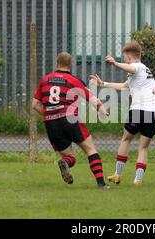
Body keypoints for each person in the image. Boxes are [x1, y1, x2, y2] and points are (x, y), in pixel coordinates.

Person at [32, 52, 109, 189]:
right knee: (90, 150)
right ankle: (102, 184)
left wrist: (51, 114)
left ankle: (65, 163)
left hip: (50, 122)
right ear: (71, 65)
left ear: (56, 64)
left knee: (69, 156)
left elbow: (35, 105)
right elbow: (94, 101)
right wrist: (103, 112)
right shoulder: (74, 80)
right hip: (69, 118)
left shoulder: (45, 80)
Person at [90, 41, 155, 186]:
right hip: (153, 112)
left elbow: (130, 67)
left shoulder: (137, 67)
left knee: (126, 139)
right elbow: (124, 86)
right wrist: (103, 84)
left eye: (124, 57)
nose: (124, 60)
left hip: (139, 109)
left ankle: (117, 174)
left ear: (129, 56)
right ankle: (138, 180)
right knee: (143, 147)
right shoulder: (145, 70)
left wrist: (115, 63)